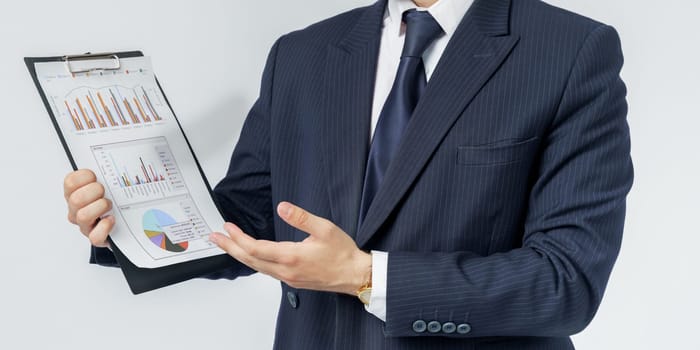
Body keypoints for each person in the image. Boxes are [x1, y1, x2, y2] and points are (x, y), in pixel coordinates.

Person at [62, 0, 633, 348]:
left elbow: (566, 284)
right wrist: (128, 220)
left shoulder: (571, 52)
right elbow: (247, 221)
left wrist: (364, 276)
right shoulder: (301, 54)